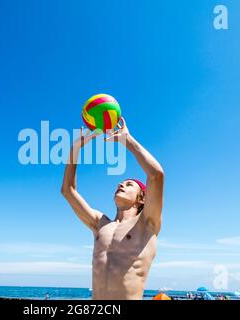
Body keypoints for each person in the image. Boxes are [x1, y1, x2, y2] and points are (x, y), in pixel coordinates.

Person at [61, 117, 165, 300]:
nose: (121, 184)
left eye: (129, 184)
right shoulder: (100, 223)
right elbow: (68, 190)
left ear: (142, 199)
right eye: (121, 182)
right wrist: (75, 148)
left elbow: (156, 175)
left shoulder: (147, 224)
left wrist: (128, 140)